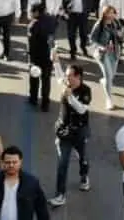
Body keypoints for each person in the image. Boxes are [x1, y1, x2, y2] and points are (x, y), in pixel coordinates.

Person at [51, 62, 93, 207]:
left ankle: (84, 176)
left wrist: (71, 97)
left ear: (78, 77)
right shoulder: (65, 84)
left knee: (83, 157)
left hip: (80, 131)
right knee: (62, 163)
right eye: (67, 75)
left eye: (69, 76)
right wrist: (55, 61)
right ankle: (60, 194)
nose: (66, 78)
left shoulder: (86, 91)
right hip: (64, 131)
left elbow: (82, 110)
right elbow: (58, 77)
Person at [0, 146, 50, 220]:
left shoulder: (31, 183)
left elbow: (41, 209)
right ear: (2, 162)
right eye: (8, 162)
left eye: (14, 162)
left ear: (20, 162)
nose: (11, 165)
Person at [90, 5, 124, 111]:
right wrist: (102, 47)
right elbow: (92, 40)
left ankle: (104, 81)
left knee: (111, 76)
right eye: (108, 13)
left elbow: (122, 38)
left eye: (112, 12)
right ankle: (109, 100)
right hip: (103, 54)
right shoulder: (99, 25)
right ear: (104, 14)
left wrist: (120, 35)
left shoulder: (117, 23)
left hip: (114, 53)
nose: (111, 15)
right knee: (109, 77)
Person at [26, 3, 54, 112]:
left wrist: (30, 58)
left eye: (32, 11)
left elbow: (31, 43)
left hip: (36, 56)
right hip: (48, 54)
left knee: (34, 78)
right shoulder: (51, 20)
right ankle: (45, 103)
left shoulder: (33, 25)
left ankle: (33, 99)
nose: (31, 14)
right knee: (46, 80)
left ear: (36, 12)